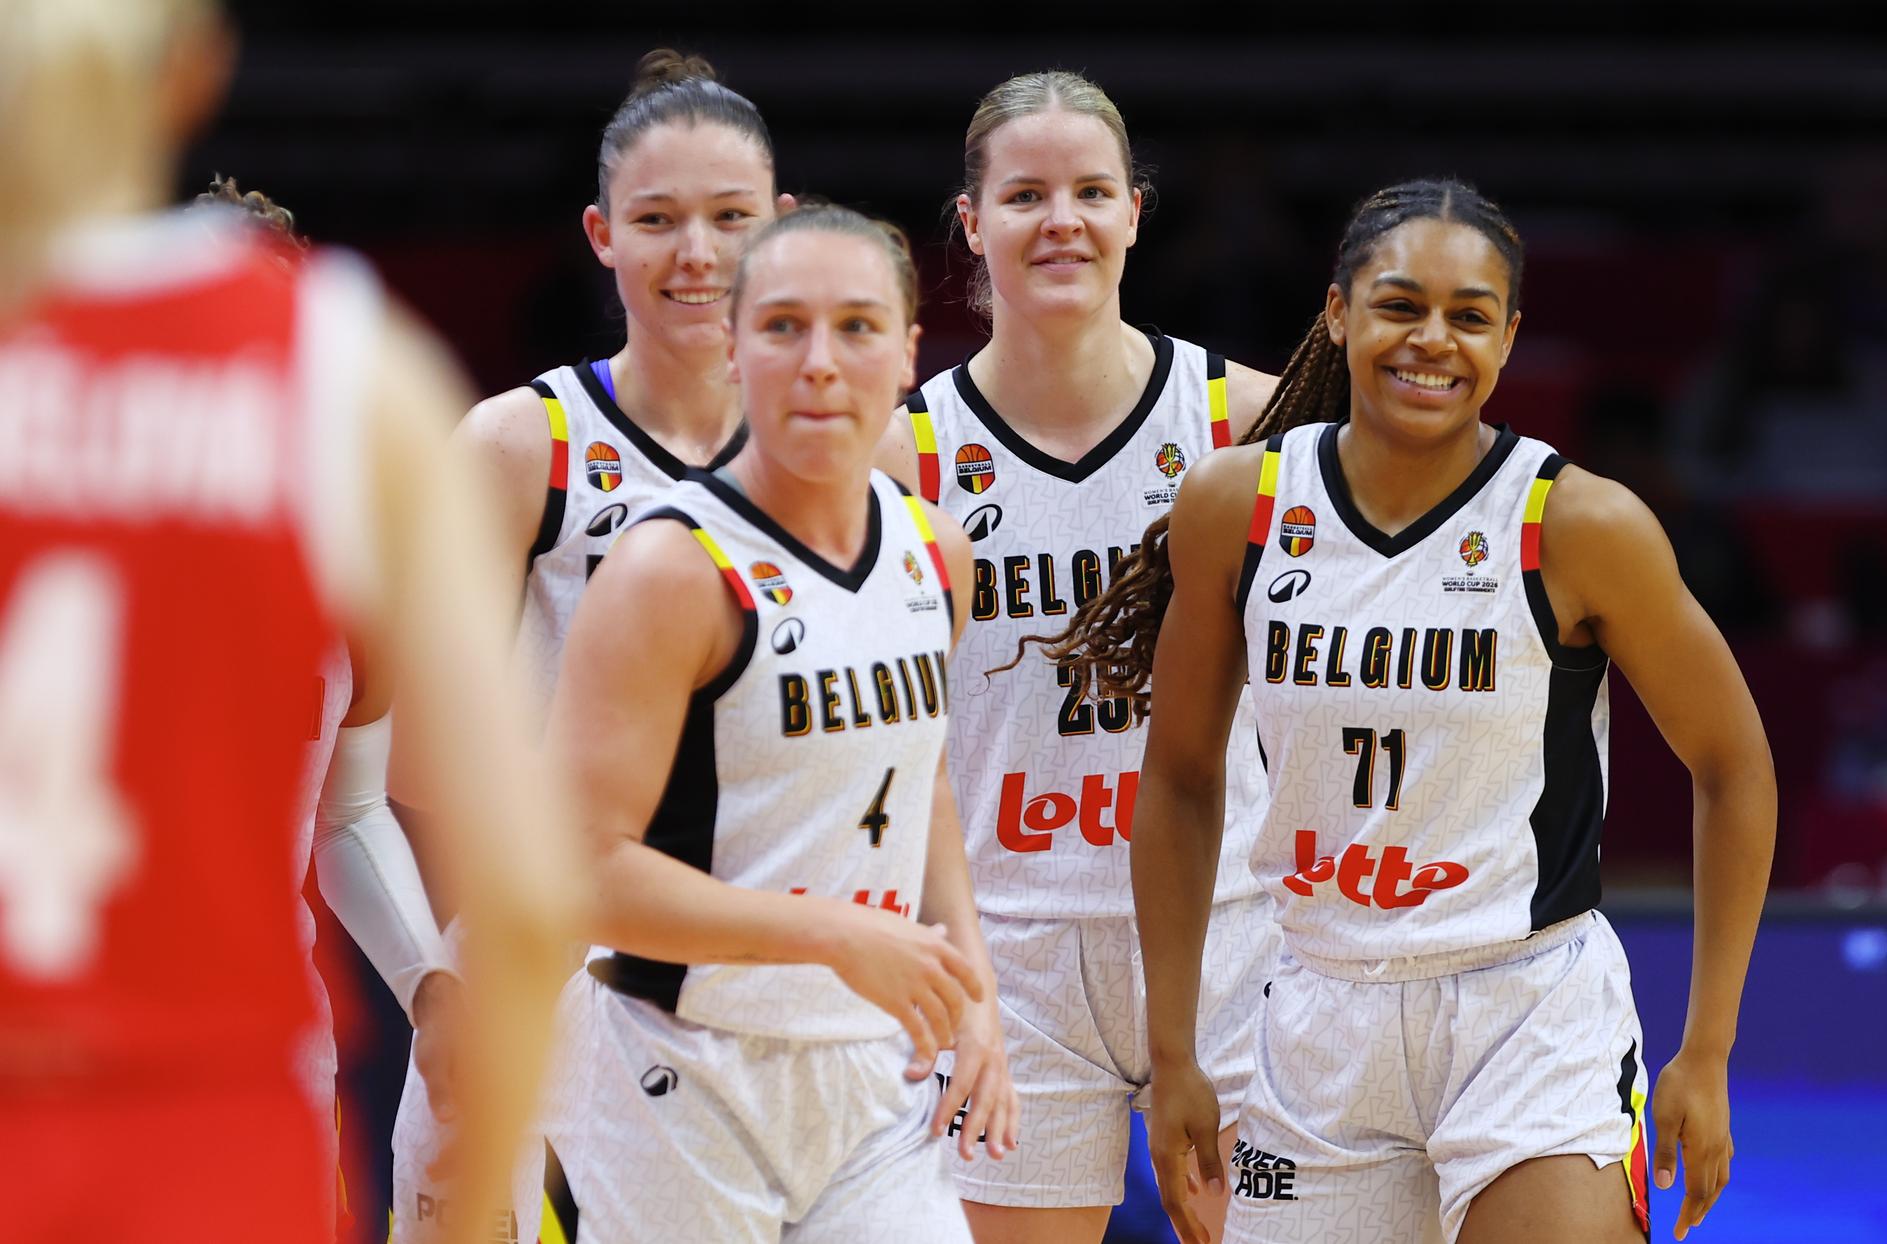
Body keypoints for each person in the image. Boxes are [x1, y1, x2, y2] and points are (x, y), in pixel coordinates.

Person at [1048, 179, 1775, 1244]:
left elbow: (1734, 763)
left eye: (1469, 316)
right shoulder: (1237, 505)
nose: (1433, 339)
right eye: (1399, 305)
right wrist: (1174, 1051)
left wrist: (1707, 1050)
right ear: (1338, 313)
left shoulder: (1580, 523)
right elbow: (1183, 777)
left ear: (1509, 339)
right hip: (1316, 1009)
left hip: (1525, 1009)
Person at [0, 3, 572, 1243]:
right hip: (222, 1099)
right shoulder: (350, 383)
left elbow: (352, 807)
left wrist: (425, 981)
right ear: (197, 68)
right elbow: (526, 893)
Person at [541, 203, 1015, 1242]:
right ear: (732, 348)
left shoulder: (937, 552)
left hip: (877, 1068)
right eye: (784, 326)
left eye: (857, 327)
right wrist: (830, 933)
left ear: (907, 355)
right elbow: (579, 871)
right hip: (683, 1067)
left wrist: (973, 988)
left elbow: (919, 782)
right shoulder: (669, 569)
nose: (820, 362)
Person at [384, 50, 790, 1243]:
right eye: (657, 220)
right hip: (542, 963)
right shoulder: (517, 444)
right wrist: (453, 977)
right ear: (601, 234)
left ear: (782, 222)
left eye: (730, 217)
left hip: (761, 978)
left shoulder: (845, 455)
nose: (697, 252)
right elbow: (419, 762)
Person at [873, 68, 1280, 1244]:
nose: (1063, 220)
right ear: (971, 222)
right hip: (1009, 945)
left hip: (1230, 926)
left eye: (1093, 192)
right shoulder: (901, 457)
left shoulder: (1244, 422)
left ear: (1136, 212)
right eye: (1025, 195)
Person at [191, 173, 462, 1237]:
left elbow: (345, 814)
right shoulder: (62, 528)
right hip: (76, 1043)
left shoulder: (356, 568)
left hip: (276, 1045)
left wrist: (429, 985)